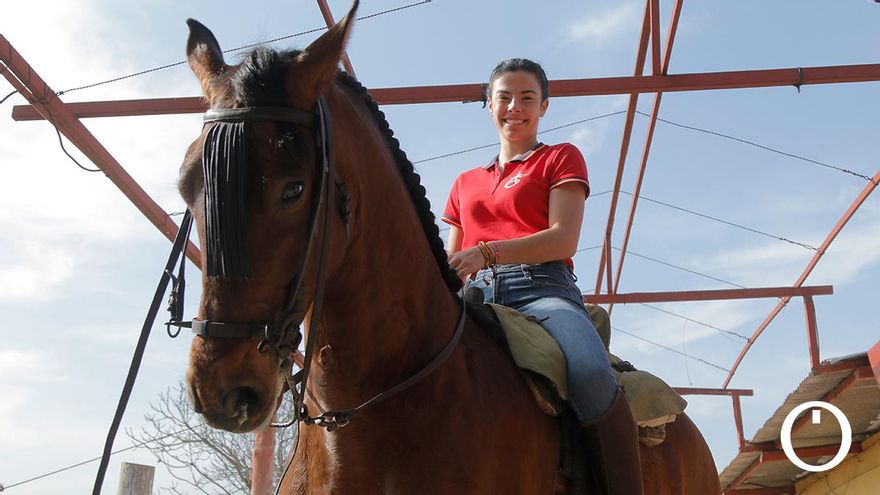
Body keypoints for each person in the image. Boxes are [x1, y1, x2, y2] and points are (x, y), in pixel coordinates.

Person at [442, 58, 643, 495]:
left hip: (541, 292)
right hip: (472, 297)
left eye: (527, 98)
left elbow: (562, 240)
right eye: (504, 97)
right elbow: (452, 257)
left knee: (590, 371)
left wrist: (488, 252)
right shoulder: (464, 182)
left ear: (544, 107)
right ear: (488, 106)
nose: (515, 106)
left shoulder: (559, 158)